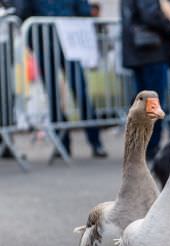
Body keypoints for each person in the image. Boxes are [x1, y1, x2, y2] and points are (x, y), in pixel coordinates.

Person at [15, 0, 108, 158]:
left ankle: (95, 141)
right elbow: (23, 11)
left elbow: (83, 10)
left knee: (79, 91)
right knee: (53, 95)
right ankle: (63, 144)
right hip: (43, 41)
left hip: (69, 41)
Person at [121, 0, 170, 161]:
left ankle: (141, 147)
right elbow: (151, 15)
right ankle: (150, 148)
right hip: (149, 51)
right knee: (152, 104)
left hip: (138, 51)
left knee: (142, 104)